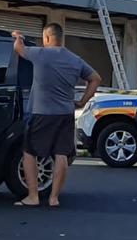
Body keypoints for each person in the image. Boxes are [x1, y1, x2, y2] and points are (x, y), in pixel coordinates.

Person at [12, 24, 102, 208]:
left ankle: (33, 196)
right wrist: (83, 101)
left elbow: (18, 49)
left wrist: (18, 36)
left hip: (41, 113)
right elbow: (96, 78)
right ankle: (54, 198)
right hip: (65, 114)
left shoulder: (39, 54)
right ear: (61, 38)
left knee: (29, 152)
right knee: (61, 154)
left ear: (46, 38)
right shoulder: (75, 60)